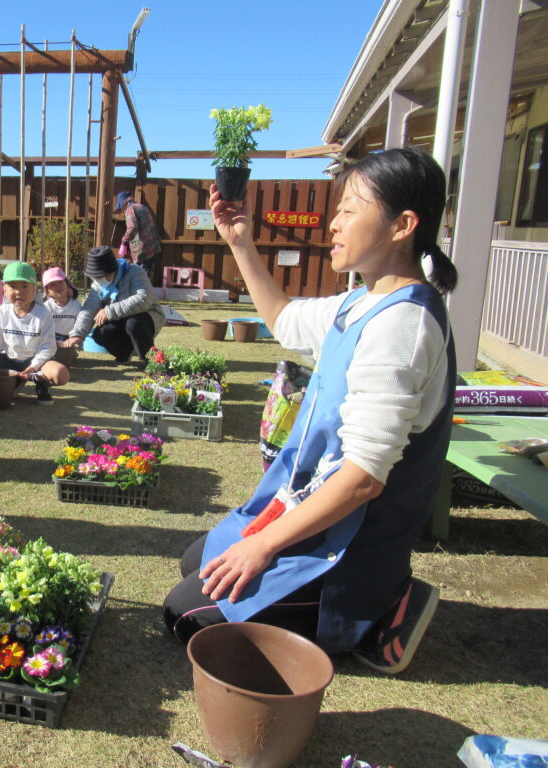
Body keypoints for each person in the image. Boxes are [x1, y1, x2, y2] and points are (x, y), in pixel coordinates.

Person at [162, 147, 458, 675]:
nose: (333, 224)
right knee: (197, 561)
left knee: (186, 615)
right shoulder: (360, 302)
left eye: (349, 209)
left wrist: (263, 547)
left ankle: (378, 608)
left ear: (402, 225)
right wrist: (241, 244)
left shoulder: (403, 326)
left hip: (351, 541)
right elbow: (281, 320)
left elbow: (365, 479)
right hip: (318, 509)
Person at [0, 262, 67, 406]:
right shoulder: (1, 313)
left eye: (24, 286)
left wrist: (34, 366)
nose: (19, 292)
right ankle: (9, 382)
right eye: (13, 286)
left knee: (60, 374)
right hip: (7, 361)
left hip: (34, 362)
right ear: (4, 289)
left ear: (35, 289)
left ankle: (40, 383)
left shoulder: (44, 314)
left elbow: (48, 347)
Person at [65, 245, 164, 366]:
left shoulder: (135, 272)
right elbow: (89, 309)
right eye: (94, 277)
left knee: (133, 323)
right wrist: (77, 334)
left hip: (147, 317)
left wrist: (108, 311)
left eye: (99, 276)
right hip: (120, 319)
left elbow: (143, 299)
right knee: (100, 332)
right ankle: (124, 354)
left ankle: (151, 360)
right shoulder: (98, 284)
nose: (97, 280)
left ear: (112, 271)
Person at [41, 266, 82, 367]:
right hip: (51, 337)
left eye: (60, 282)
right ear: (47, 291)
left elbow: (80, 326)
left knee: (65, 358)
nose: (57, 286)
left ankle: (71, 353)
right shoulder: (46, 307)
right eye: (52, 285)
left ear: (67, 285)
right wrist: (56, 342)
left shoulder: (76, 306)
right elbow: (42, 331)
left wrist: (75, 340)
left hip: (69, 338)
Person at [115, 190, 161, 279]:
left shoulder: (130, 210)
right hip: (151, 247)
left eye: (120, 206)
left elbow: (132, 228)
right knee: (145, 276)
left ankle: (141, 292)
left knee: (141, 278)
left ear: (124, 202)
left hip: (142, 250)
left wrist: (123, 243)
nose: (121, 209)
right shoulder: (142, 207)